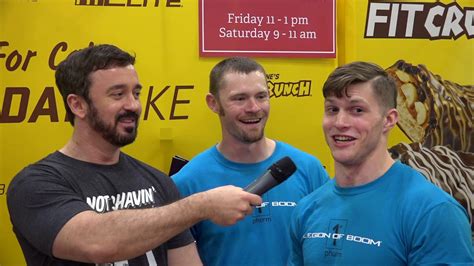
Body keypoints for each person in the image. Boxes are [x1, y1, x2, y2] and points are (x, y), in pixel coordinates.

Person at [7, 44, 262, 266]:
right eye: (118, 94)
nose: (133, 105)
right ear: (78, 105)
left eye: (136, 93)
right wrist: (201, 205)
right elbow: (96, 242)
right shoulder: (36, 184)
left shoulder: (157, 182)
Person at [288, 61, 473, 265]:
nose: (340, 122)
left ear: (389, 119)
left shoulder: (433, 211)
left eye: (357, 110)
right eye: (332, 109)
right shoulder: (307, 209)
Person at [172, 57, 329, 265]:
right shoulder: (187, 182)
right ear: (213, 103)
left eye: (261, 96)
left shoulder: (308, 168)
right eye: (239, 99)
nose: (254, 108)